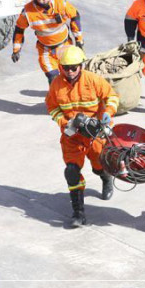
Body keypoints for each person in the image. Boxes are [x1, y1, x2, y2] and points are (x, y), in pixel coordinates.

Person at [45, 45, 120, 227]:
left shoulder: (94, 80)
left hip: (95, 136)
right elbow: (52, 107)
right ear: (61, 67)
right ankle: (78, 212)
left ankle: (105, 177)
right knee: (71, 172)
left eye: (74, 67)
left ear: (81, 65)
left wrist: (108, 112)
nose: (70, 71)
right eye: (66, 68)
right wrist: (63, 123)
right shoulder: (56, 84)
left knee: (99, 166)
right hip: (72, 136)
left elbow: (112, 96)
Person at [12, 0, 83, 84]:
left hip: (65, 46)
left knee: (71, 75)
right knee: (53, 78)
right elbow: (19, 30)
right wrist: (16, 50)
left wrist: (79, 41)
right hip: (46, 51)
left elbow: (75, 16)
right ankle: (56, 99)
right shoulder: (27, 12)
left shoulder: (61, 4)